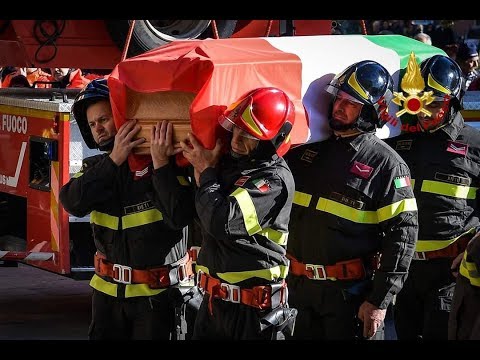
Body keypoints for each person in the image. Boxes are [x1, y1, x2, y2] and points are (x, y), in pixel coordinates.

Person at [284, 60, 419, 340]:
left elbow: (402, 238)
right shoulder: (305, 153)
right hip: (299, 294)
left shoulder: (387, 165)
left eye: (351, 103)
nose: (338, 108)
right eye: (338, 99)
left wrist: (379, 301)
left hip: (350, 299)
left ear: (372, 112)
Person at [59, 78, 195, 340]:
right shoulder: (99, 168)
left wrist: (160, 164)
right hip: (107, 303)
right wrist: (114, 161)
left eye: (104, 119)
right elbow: (72, 202)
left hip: (156, 301)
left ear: (123, 117)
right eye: (92, 124)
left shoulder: (164, 164)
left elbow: (179, 216)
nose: (98, 128)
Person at [180, 87, 297, 340]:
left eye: (248, 135)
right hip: (213, 304)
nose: (236, 140)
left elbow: (220, 221)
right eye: (236, 128)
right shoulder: (230, 165)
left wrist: (206, 172)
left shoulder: (274, 181)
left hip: (254, 313)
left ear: (273, 141)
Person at [386, 54, 480, 340]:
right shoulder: (397, 141)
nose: (425, 112)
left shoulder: (475, 146)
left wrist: (475, 248)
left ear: (455, 100)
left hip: (450, 273)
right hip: (404, 271)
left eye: (435, 104)